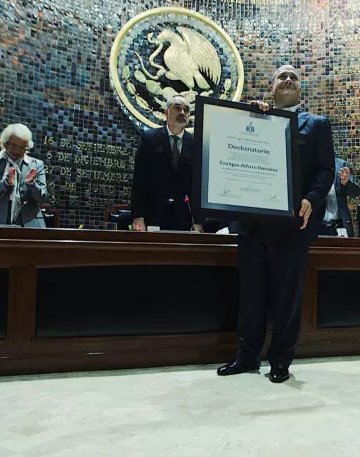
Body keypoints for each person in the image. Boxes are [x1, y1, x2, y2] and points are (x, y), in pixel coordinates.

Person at [217, 65, 335, 383]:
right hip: (253, 226)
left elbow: (326, 171)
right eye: (281, 76)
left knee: (287, 298)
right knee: (251, 297)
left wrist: (311, 198)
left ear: (300, 89)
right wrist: (250, 116)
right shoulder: (257, 116)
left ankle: (280, 361)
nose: (287, 80)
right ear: (271, 88)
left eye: (293, 77)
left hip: (293, 227)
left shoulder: (317, 125)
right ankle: (247, 357)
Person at [131, 96, 202, 232]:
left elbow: (197, 187)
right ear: (166, 112)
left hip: (184, 219)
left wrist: (198, 220)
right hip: (153, 215)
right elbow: (139, 180)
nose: (182, 112)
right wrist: (138, 216)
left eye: (186, 110)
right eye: (177, 107)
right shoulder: (150, 139)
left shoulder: (195, 145)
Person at [0, 124, 49, 227]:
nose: (17, 151)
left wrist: (32, 184)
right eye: (14, 146)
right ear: (5, 144)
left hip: (30, 225)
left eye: (22, 147)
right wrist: (5, 183)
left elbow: (42, 199)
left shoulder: (37, 165)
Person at [318, 157, 360, 237]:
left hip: (339, 225)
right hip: (317, 225)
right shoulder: (312, 165)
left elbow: (355, 193)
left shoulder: (342, 165)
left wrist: (346, 183)